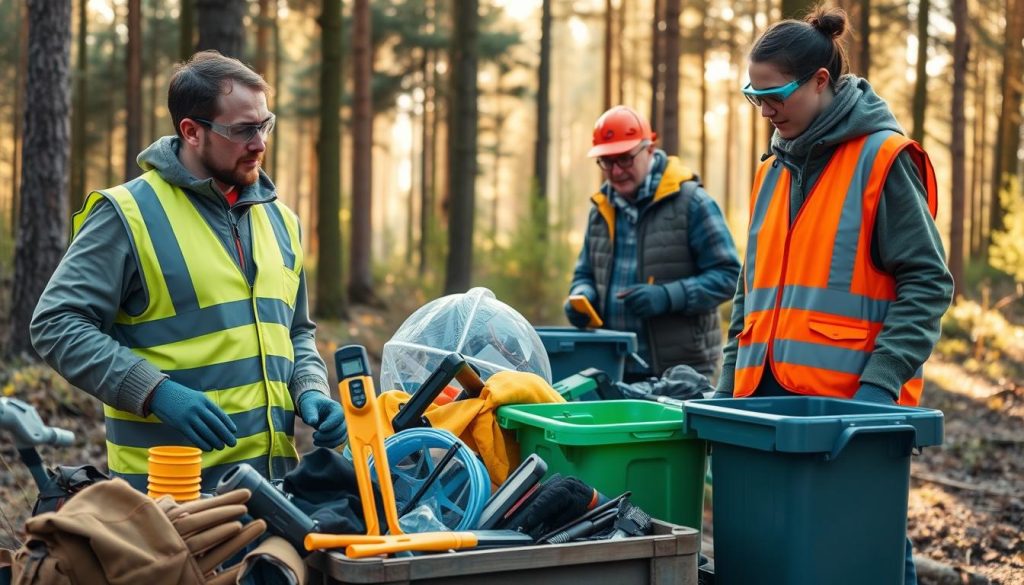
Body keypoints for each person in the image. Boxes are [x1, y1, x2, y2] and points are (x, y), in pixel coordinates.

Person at [30, 51, 346, 492]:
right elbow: (57, 325)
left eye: (265, 125)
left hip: (273, 493)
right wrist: (157, 393)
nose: (259, 144)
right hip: (166, 501)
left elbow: (295, 331)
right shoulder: (127, 214)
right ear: (191, 131)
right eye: (243, 131)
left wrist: (311, 389)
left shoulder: (282, 221)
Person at [714, 8, 954, 582]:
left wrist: (881, 384)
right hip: (761, 398)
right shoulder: (771, 168)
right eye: (754, 96)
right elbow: (753, 289)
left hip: (849, 408)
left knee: (859, 552)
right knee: (775, 550)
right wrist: (727, 383)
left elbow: (928, 281)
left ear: (822, 81)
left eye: (775, 95)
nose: (765, 110)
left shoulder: (884, 160)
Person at [565, 105, 740, 383]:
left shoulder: (693, 203)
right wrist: (582, 296)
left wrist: (667, 296)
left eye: (624, 158)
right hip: (614, 365)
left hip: (681, 371)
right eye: (606, 161)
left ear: (648, 148)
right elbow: (585, 273)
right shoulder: (601, 209)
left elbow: (730, 277)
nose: (616, 170)